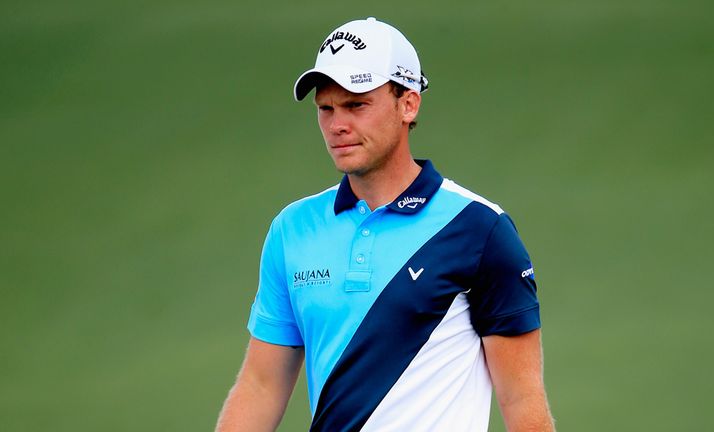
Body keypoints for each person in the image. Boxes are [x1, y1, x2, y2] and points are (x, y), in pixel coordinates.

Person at [216, 17, 555, 432]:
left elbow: (521, 398)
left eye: (356, 105)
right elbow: (260, 387)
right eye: (326, 108)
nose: (337, 125)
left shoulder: (479, 228)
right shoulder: (292, 230)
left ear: (408, 104)